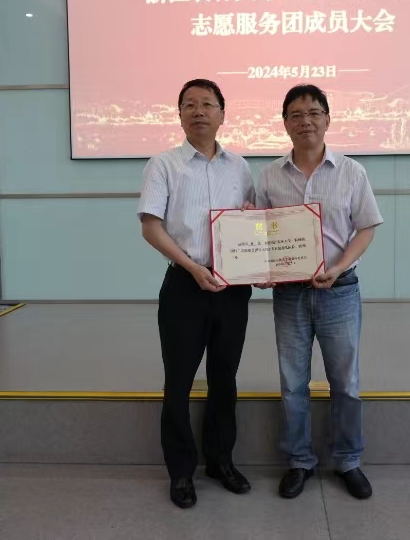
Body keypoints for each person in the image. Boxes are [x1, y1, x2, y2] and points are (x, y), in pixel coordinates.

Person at [255, 84, 383, 500]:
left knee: (345, 382)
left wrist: (339, 266)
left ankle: (348, 460)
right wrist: (260, 268)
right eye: (296, 114)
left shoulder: (351, 172)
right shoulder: (270, 175)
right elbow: (258, 233)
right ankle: (299, 460)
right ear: (285, 123)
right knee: (293, 382)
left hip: (339, 291)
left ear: (328, 118)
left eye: (313, 112)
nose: (305, 121)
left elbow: (366, 228)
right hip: (289, 294)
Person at [137, 79, 255, 509]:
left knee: (225, 379)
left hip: (232, 288)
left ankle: (221, 461)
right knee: (179, 381)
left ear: (223, 113)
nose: (199, 111)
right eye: (189, 104)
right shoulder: (163, 165)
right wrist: (192, 267)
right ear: (180, 115)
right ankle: (182, 471)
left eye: (207, 104)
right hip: (185, 286)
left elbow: (250, 223)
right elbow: (151, 226)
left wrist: (252, 231)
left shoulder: (240, 167)